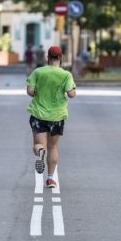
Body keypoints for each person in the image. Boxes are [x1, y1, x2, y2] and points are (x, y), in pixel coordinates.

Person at [26, 46, 76, 189]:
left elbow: (30, 91)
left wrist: (39, 91)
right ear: (61, 58)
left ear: (48, 57)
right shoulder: (66, 75)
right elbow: (71, 94)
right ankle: (50, 179)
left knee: (39, 145)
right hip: (57, 115)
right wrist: (71, 89)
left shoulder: (38, 72)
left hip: (39, 113)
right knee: (53, 147)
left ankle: (40, 152)